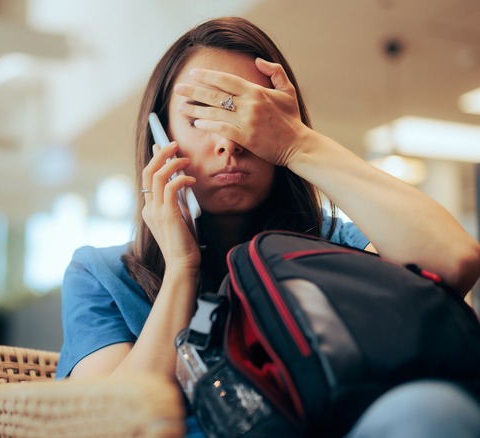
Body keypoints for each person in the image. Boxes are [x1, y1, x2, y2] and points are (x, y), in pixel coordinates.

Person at [55, 16, 480, 437]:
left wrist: (297, 143)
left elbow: (454, 261)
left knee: (434, 410)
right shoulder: (101, 275)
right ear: (160, 139)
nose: (231, 142)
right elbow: (106, 427)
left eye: (251, 115)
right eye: (201, 116)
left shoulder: (334, 248)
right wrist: (182, 269)